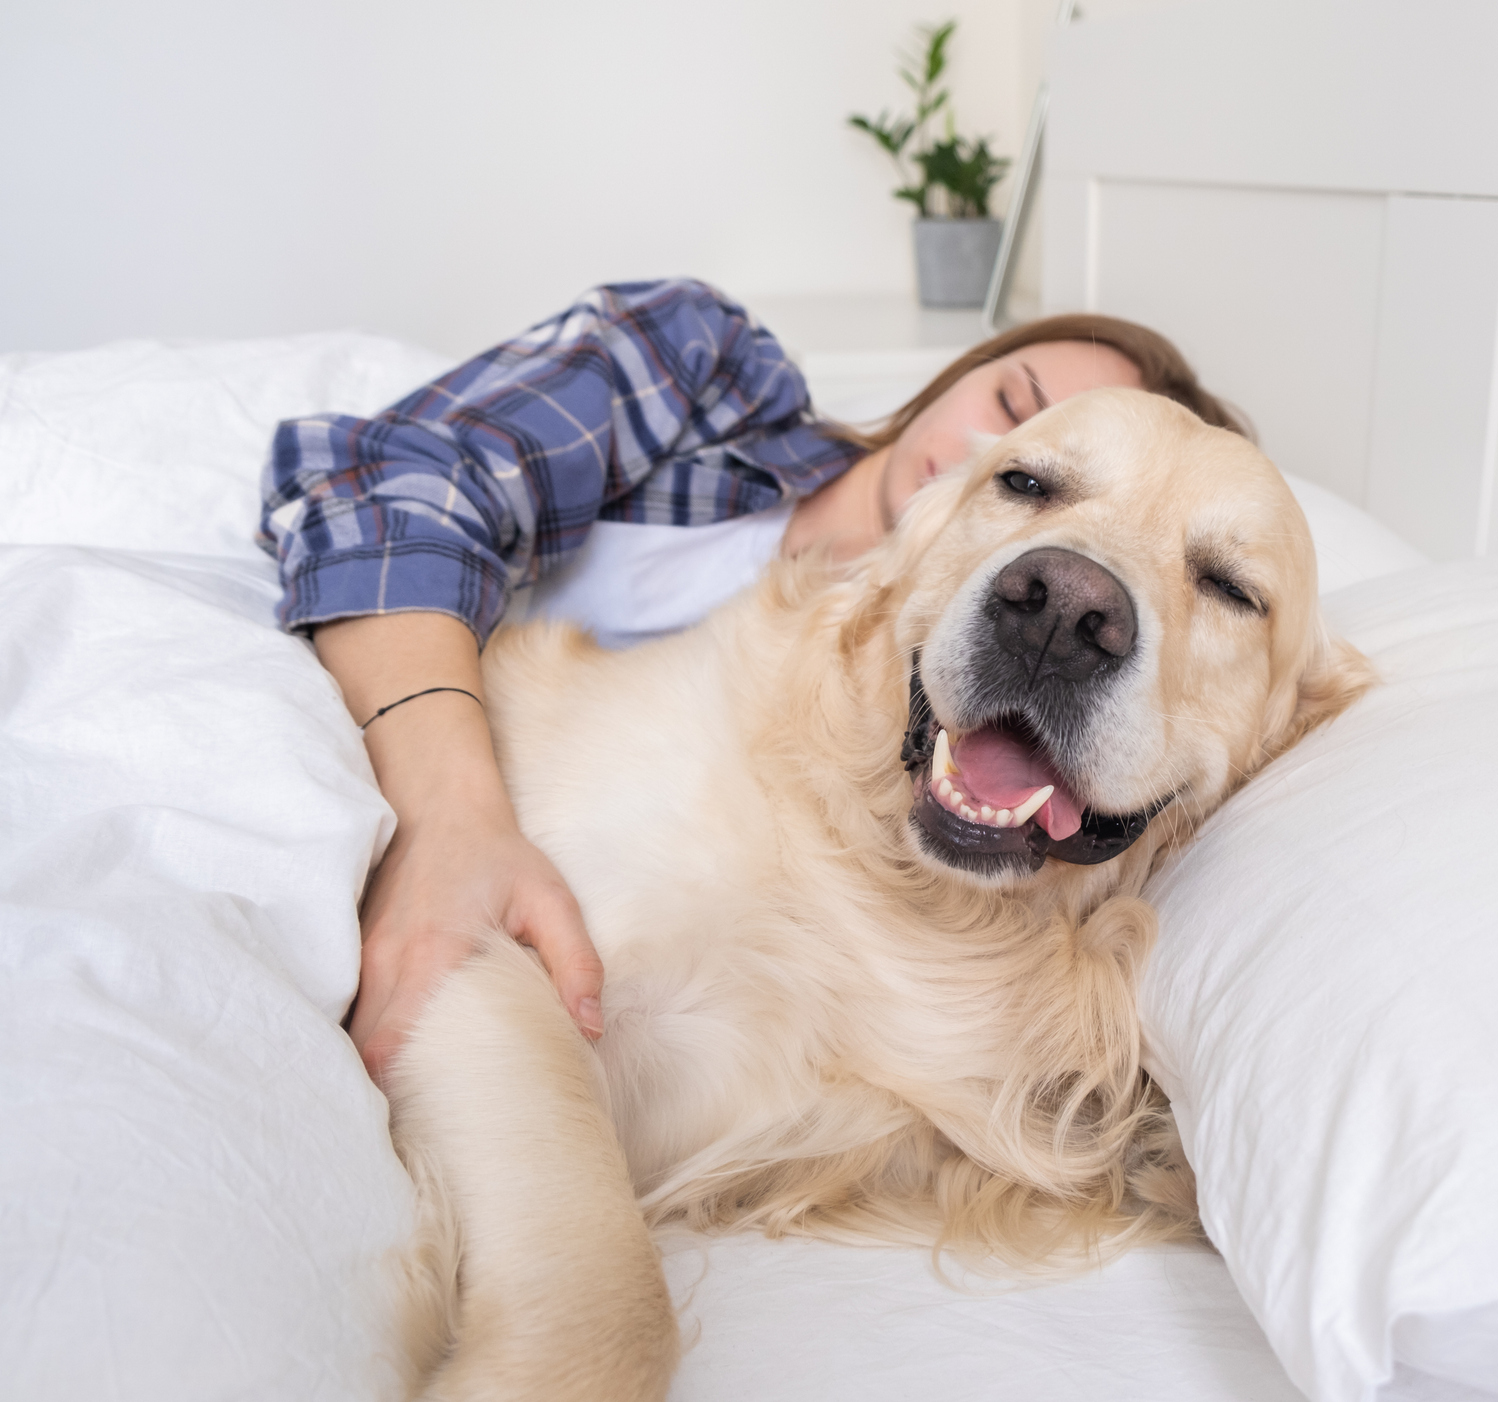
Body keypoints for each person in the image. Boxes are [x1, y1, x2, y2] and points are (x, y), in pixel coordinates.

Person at [259, 278, 1243, 1082]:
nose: (990, 461)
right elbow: (388, 481)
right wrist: (451, 817)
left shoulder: (874, 736)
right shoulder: (708, 363)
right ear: (954, 375)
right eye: (1021, 435)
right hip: (345, 710)